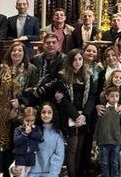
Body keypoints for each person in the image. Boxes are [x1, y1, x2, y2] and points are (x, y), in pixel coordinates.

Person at [44, 49, 96, 177]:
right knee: (72, 148)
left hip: (83, 117)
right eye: (74, 59)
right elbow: (62, 100)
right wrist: (77, 116)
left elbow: (91, 97)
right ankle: (71, 174)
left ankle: (78, 173)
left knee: (80, 149)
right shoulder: (62, 76)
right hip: (69, 116)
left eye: (80, 59)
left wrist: (84, 115)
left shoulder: (88, 75)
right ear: (69, 61)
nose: (77, 62)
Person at [0, 41, 39, 177]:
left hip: (22, 113)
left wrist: (21, 102)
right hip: (3, 114)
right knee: (6, 146)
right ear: (10, 52)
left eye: (20, 50)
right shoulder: (2, 68)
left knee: (19, 145)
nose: (16, 53)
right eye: (14, 50)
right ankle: (5, 172)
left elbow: (34, 92)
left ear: (24, 53)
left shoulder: (31, 69)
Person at [95, 86, 121, 177]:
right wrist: (95, 139)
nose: (114, 98)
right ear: (106, 97)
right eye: (112, 96)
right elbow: (97, 126)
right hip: (104, 142)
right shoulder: (102, 110)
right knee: (104, 162)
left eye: (116, 96)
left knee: (114, 162)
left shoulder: (119, 111)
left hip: (116, 142)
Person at [27, 102, 65, 176]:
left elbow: (59, 157)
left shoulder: (57, 134)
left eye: (49, 112)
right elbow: (22, 150)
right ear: (39, 114)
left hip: (50, 174)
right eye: (43, 112)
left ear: (53, 114)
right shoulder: (31, 130)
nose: (46, 115)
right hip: (30, 173)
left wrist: (52, 175)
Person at [12, 107, 44, 177]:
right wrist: (25, 133)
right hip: (20, 156)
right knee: (20, 174)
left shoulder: (36, 128)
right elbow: (16, 141)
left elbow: (40, 137)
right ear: (23, 119)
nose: (30, 123)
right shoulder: (18, 129)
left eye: (32, 121)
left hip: (31, 156)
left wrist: (30, 132)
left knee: (29, 174)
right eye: (27, 120)